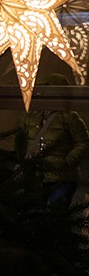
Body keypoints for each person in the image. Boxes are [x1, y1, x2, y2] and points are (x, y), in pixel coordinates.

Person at [18, 72, 89, 208]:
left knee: (57, 217)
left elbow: (83, 142)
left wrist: (67, 162)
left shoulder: (69, 116)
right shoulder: (29, 115)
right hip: (35, 175)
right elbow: (20, 139)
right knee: (34, 215)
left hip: (61, 177)